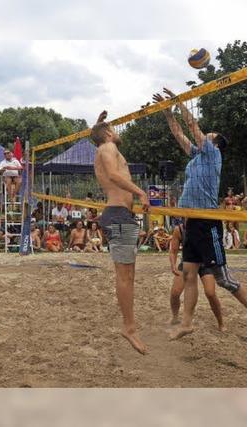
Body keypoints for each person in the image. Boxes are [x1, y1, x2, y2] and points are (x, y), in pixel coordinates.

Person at [154, 88, 241, 340]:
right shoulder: (197, 156)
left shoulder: (213, 153)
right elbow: (179, 133)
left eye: (209, 135)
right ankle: (187, 323)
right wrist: (168, 112)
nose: (205, 135)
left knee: (224, 281)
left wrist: (180, 102)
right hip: (190, 221)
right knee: (189, 274)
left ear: (214, 143)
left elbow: (191, 125)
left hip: (207, 221)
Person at [91, 110, 150, 354]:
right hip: (117, 215)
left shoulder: (106, 148)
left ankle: (130, 324)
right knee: (125, 276)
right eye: (114, 129)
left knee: (129, 275)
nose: (118, 132)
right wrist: (140, 192)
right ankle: (129, 327)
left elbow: (107, 159)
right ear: (107, 134)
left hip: (121, 215)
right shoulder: (107, 149)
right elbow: (114, 175)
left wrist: (98, 125)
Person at [169, 223, 224, 331]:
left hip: (205, 263)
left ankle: (221, 322)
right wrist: (173, 265)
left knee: (210, 293)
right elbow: (173, 250)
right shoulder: (179, 229)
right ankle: (175, 317)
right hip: (187, 262)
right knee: (175, 293)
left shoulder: (206, 225)